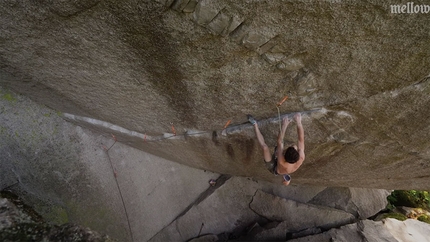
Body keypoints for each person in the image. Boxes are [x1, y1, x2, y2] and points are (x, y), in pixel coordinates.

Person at [248, 113, 305, 186]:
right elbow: (301, 140)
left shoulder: (281, 160)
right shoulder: (301, 157)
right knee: (294, 146)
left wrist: (284, 125)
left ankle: (254, 124)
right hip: (285, 168)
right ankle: (287, 178)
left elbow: (280, 141)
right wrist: (299, 122)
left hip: (274, 168)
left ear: (284, 155)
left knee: (265, 148)